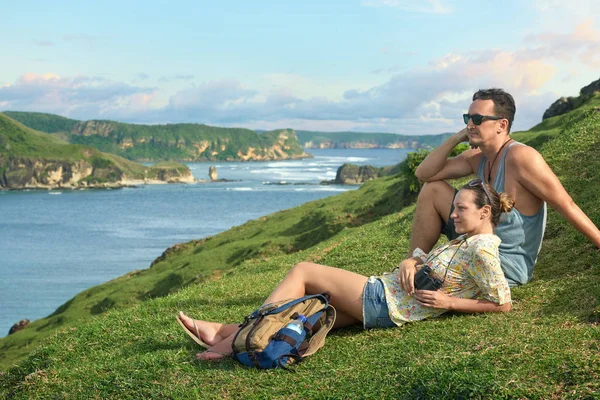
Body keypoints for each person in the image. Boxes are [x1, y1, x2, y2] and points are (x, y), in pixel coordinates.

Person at [178, 180, 513, 360]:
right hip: (390, 301)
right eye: (454, 208)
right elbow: (435, 267)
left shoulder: (483, 250)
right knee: (305, 311)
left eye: (460, 209)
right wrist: (409, 261)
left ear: (485, 212)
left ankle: (228, 343)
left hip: (384, 300)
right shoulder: (468, 241)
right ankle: (224, 331)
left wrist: (451, 304)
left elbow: (503, 303)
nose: (452, 215)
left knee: (302, 271)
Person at [398, 88, 600, 293]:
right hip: (476, 247)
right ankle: (413, 263)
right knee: (432, 189)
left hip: (503, 265)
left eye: (477, 119)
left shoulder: (521, 157)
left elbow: (566, 205)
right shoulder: (479, 158)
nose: (469, 125)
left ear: (502, 125)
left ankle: (417, 272)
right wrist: (456, 138)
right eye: (467, 118)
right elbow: (424, 174)